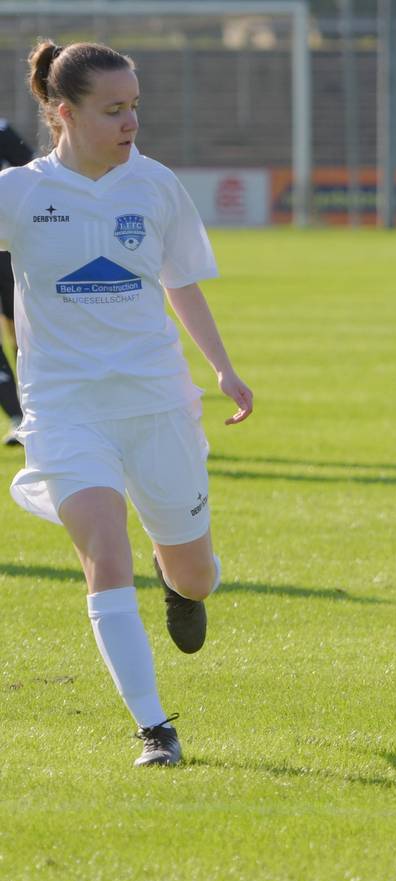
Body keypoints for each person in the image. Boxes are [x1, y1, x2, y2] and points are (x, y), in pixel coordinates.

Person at [0, 40, 253, 767]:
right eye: (113, 110)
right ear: (61, 113)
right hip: (65, 412)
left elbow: (181, 282)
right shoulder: (20, 193)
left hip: (158, 407)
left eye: (134, 107)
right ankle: (156, 731)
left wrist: (224, 370)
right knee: (105, 558)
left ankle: (183, 589)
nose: (129, 122)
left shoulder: (156, 185)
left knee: (195, 573)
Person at [0, 117, 33, 445]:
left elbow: (30, 173)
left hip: (5, 253)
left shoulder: (1, 130)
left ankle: (34, 411)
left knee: (20, 329)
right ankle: (16, 415)